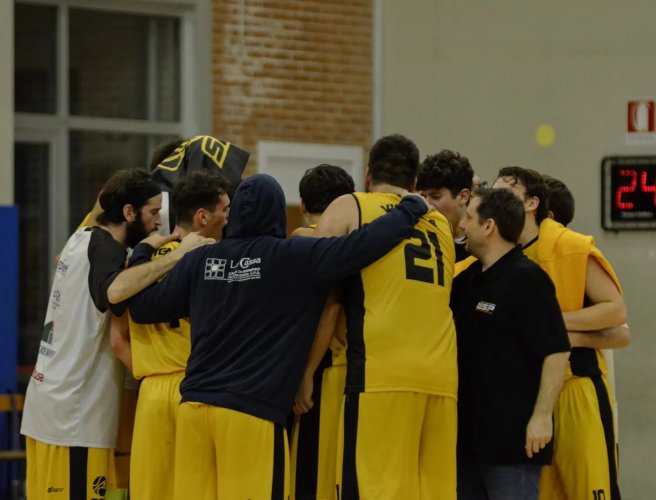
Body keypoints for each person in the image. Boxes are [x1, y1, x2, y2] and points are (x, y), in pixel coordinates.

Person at [128, 174, 431, 499]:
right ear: (276, 211)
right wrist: (410, 207)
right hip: (251, 413)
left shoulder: (200, 260)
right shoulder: (292, 256)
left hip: (193, 412)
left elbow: (144, 309)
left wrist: (144, 251)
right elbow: (361, 245)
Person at [20, 169, 211, 500]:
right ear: (128, 212)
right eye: (152, 213)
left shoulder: (81, 238)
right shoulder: (107, 249)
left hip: (51, 406)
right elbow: (114, 291)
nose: (157, 222)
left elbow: (104, 200)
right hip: (74, 419)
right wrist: (180, 255)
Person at [314, 134, 458, 499]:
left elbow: (322, 292)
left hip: (381, 377)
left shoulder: (350, 206)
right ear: (414, 184)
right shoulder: (440, 223)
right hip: (441, 379)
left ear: (367, 176)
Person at [493, 167, 628, 500]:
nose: (496, 200)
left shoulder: (570, 246)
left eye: (506, 192)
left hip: (575, 387)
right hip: (526, 395)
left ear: (532, 203)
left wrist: (551, 322)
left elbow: (616, 312)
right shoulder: (498, 253)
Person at [451, 187, 570, 500]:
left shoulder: (527, 279)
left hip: (511, 446)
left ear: (489, 226)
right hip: (467, 444)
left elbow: (556, 351)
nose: (461, 225)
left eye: (468, 218)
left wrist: (542, 417)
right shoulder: (465, 282)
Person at [127, 170, 230, 499]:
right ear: (202, 217)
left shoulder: (141, 259)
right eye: (225, 209)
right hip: (199, 389)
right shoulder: (213, 258)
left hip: (151, 393)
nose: (229, 217)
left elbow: (122, 325)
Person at [289, 164, 355, 499]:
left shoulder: (305, 245)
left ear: (302, 204)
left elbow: (332, 304)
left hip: (323, 373)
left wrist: (307, 373)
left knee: (313, 479)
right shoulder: (356, 243)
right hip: (353, 375)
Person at [417, 149, 474, 262]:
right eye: (423, 197)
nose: (427, 205)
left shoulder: (479, 247)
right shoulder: (417, 241)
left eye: (436, 196)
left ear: (463, 196)